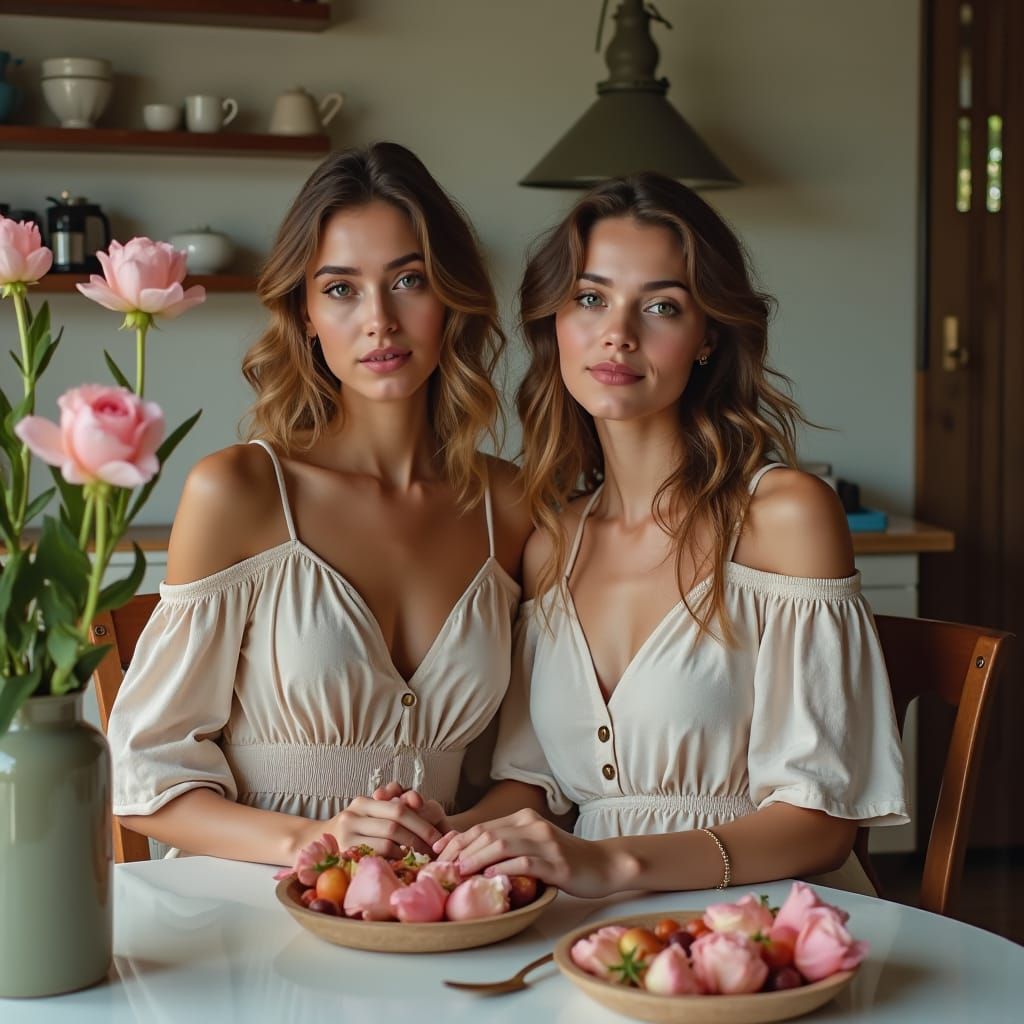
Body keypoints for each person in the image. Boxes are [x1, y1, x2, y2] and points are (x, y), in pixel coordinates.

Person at [433, 172, 908, 897]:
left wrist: (613, 864)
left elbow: (820, 822)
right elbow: (531, 788)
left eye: (660, 306)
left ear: (708, 336)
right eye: (590, 299)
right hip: (588, 925)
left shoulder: (784, 516)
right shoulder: (549, 543)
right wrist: (445, 836)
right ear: (554, 324)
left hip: (767, 924)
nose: (617, 334)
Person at [106, 143, 532, 865]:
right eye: (340, 289)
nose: (379, 321)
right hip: (245, 918)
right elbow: (146, 777)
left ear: (452, 298)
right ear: (303, 311)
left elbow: (529, 776)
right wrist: (316, 842)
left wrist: (451, 844)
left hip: (438, 911)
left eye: (410, 280)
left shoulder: (513, 507)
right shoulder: (238, 492)